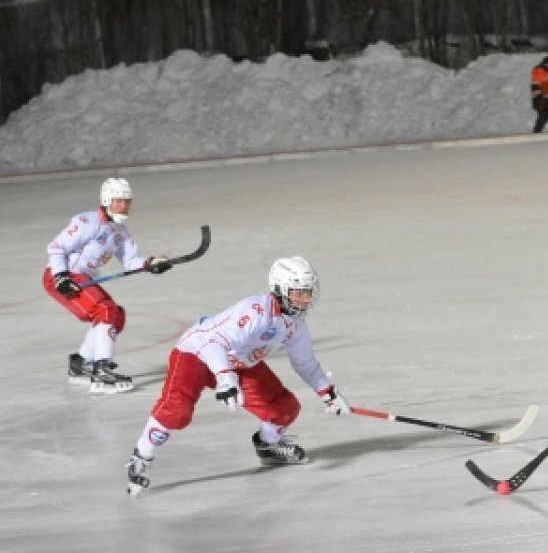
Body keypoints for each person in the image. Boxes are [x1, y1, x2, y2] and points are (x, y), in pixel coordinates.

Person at [125, 256, 350, 496]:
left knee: (283, 408)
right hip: (197, 353)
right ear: (280, 290)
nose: (306, 299)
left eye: (308, 292)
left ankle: (268, 446)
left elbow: (305, 363)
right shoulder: (255, 311)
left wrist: (328, 393)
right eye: (299, 293)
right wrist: (225, 378)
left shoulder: (295, 325)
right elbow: (213, 343)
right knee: (177, 411)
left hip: (240, 363)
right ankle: (142, 456)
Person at [43, 177, 174, 394]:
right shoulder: (88, 222)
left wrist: (150, 264)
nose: (124, 206)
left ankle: (82, 363)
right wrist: (61, 277)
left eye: (127, 201)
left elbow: (131, 261)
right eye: (118, 201)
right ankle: (102, 370)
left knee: (116, 316)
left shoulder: (120, 231)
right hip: (64, 276)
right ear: (106, 200)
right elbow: (56, 247)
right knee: (106, 311)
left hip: (83, 279)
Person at [530, 55, 548, 133]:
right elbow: (535, 84)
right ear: (544, 63)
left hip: (547, 97)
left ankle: (538, 130)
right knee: (542, 114)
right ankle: (537, 131)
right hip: (539, 97)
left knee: (547, 116)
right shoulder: (539, 71)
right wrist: (538, 96)